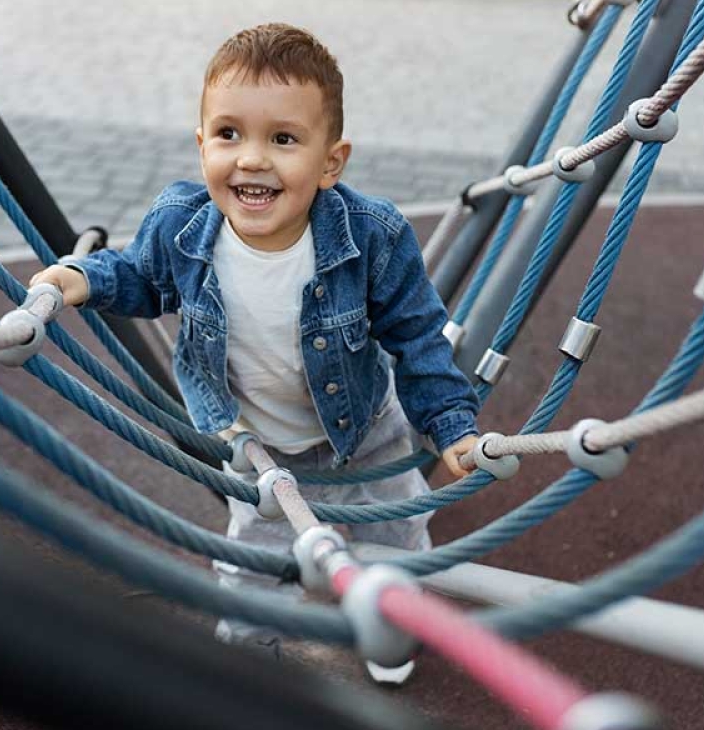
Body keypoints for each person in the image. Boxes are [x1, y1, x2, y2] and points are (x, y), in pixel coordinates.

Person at [28, 22, 480, 685]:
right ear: (201, 144)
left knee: (396, 543)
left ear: (331, 161)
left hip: (367, 432)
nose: (252, 159)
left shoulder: (372, 236)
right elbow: (142, 279)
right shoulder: (183, 225)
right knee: (252, 570)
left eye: (284, 139)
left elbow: (417, 337)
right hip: (257, 445)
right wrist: (87, 279)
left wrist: (452, 427)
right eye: (229, 134)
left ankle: (389, 630)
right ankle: (247, 669)